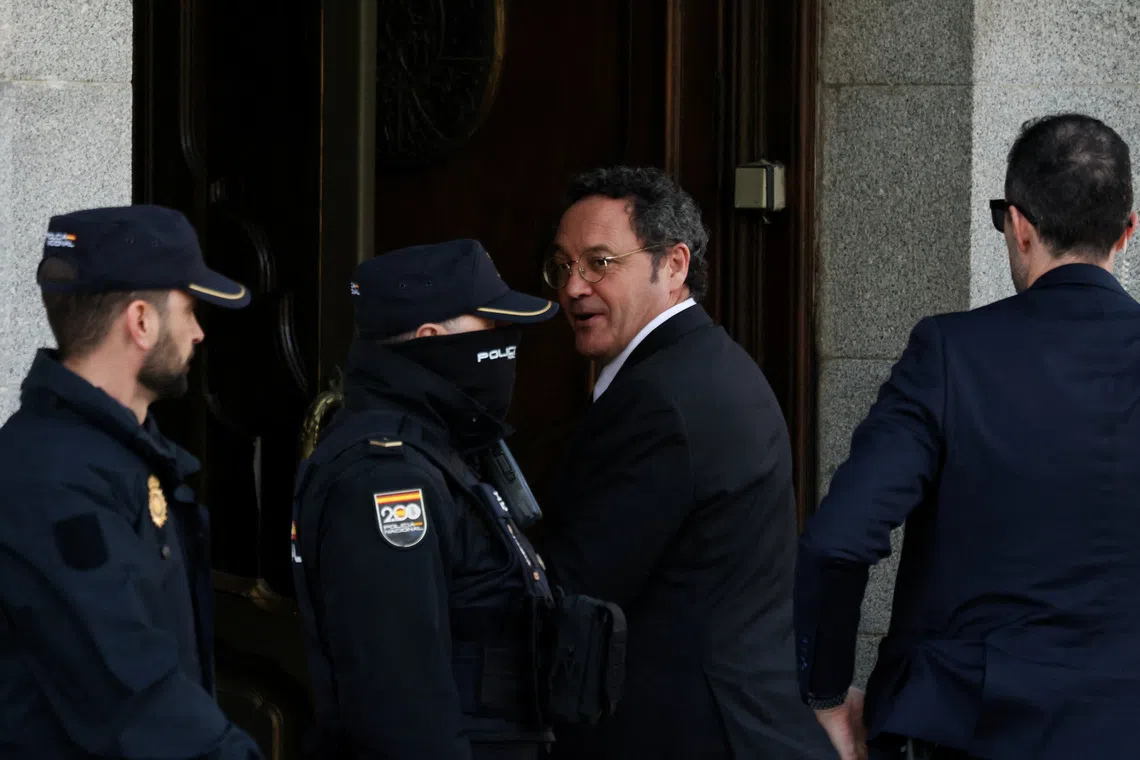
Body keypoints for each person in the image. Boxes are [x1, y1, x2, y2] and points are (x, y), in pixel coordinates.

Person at [794, 112, 1140, 760]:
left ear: (1018, 224)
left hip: (964, 728)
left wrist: (828, 694)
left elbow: (838, 542)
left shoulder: (950, 352)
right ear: (1128, 231)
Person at [535, 166, 835, 759]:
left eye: (599, 262)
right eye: (563, 266)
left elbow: (579, 586)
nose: (573, 287)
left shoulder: (661, 396)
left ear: (673, 265)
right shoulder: (703, 364)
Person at [291, 239, 621, 760]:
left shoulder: (442, 454)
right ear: (429, 339)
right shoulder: (386, 477)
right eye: (490, 327)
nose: (507, 343)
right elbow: (400, 704)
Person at [0, 206, 262, 758]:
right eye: (190, 310)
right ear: (141, 320)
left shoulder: (117, 452)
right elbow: (135, 695)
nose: (198, 332)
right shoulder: (49, 478)